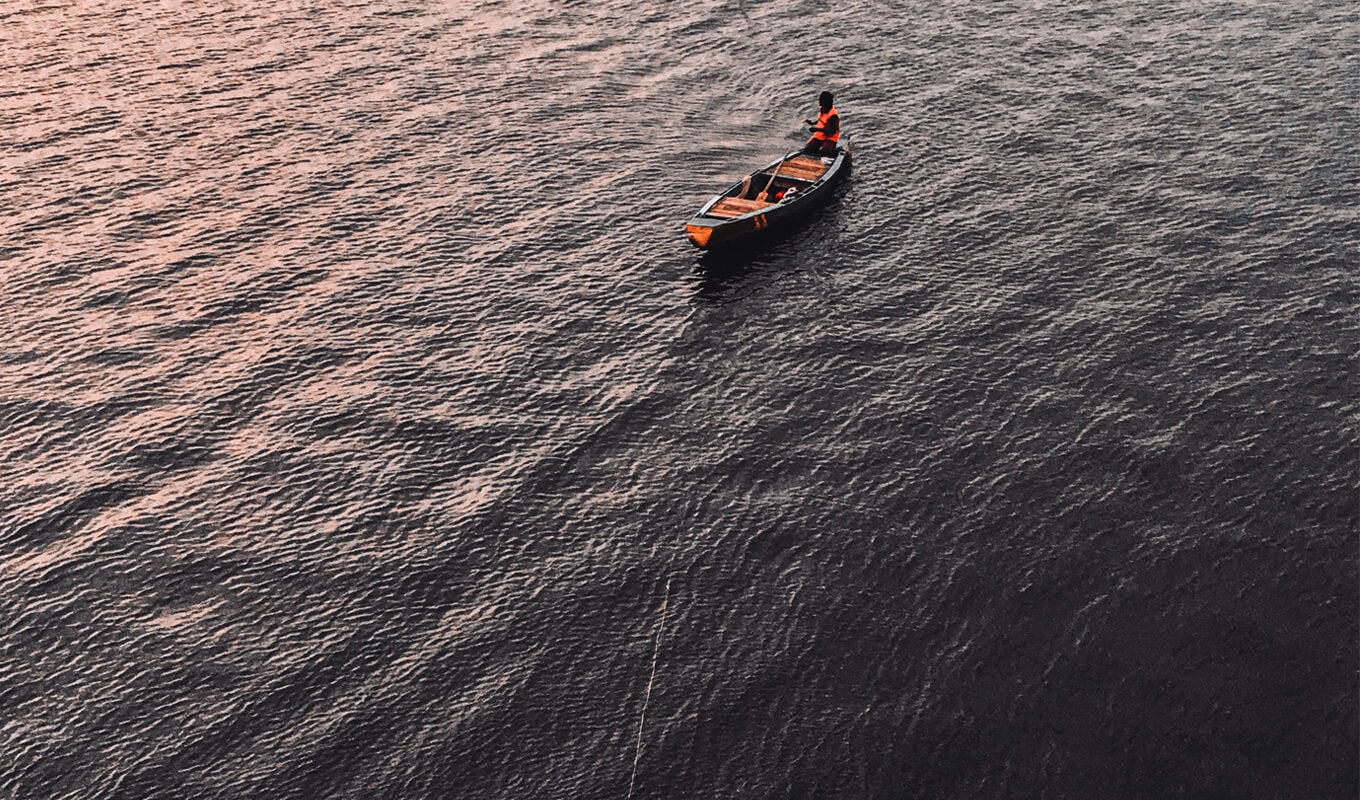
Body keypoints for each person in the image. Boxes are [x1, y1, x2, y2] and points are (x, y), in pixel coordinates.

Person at [803, 91, 839, 156]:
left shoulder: (833, 116)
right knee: (808, 150)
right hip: (820, 136)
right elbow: (822, 121)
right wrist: (812, 123)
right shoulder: (823, 109)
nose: (819, 101)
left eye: (821, 100)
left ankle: (836, 150)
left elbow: (832, 131)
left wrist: (817, 129)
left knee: (824, 153)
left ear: (826, 102)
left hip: (830, 138)